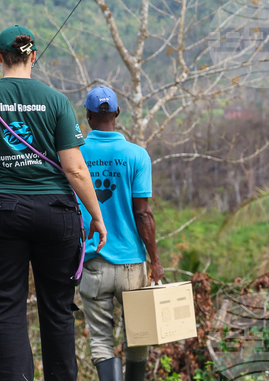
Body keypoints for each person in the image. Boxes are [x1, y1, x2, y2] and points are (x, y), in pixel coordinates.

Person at [0, 25, 108, 381]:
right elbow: (75, 169)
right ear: (33, 56)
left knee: (6, 309)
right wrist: (95, 215)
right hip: (56, 214)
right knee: (58, 309)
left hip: (1, 212)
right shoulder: (55, 101)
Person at [77, 86, 165, 381]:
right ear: (117, 112)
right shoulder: (136, 155)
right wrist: (155, 260)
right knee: (138, 337)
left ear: (88, 115)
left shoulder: (75, 156)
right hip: (131, 264)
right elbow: (142, 213)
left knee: (102, 342)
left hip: (93, 261)